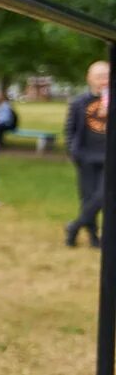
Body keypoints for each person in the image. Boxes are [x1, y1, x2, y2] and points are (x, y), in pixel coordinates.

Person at [65, 60, 111, 248]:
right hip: (85, 157)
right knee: (88, 198)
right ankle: (93, 237)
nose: (103, 81)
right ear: (89, 78)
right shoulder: (79, 103)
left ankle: (74, 226)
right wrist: (73, 151)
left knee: (102, 196)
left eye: (107, 76)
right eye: (99, 76)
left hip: (108, 158)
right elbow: (70, 129)